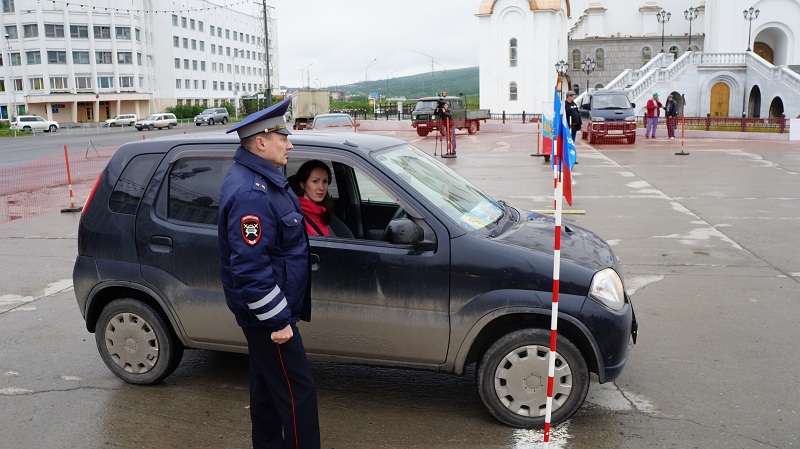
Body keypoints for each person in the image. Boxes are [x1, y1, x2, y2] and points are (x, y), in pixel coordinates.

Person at [218, 97, 321, 449]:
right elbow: (249, 267)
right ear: (261, 142)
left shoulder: (261, 179)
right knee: (298, 394)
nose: (290, 145)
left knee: (265, 390)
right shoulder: (252, 192)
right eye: (283, 137)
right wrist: (278, 322)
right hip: (269, 317)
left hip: (265, 314)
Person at [291, 160, 334, 237]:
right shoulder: (295, 216)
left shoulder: (322, 212)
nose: (321, 187)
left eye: (325, 181)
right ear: (303, 184)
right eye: (315, 181)